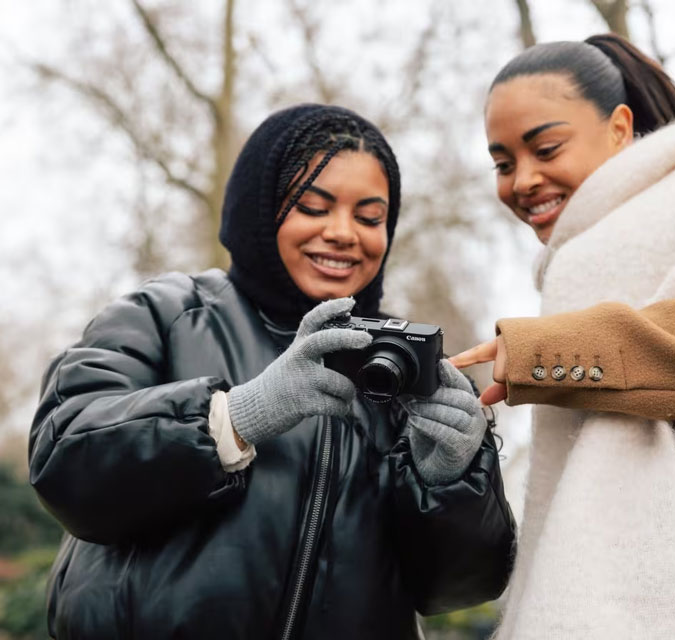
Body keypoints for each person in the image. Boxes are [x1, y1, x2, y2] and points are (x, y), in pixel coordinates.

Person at [29, 104, 515, 640]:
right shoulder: (167, 313)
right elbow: (64, 461)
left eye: (370, 217)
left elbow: (456, 588)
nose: (343, 233)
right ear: (257, 210)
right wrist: (239, 414)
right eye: (313, 206)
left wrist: (449, 478)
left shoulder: (403, 370)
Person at [451, 34, 675, 640]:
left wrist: (552, 353)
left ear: (619, 127)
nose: (523, 180)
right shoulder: (578, 266)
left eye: (546, 147)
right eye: (503, 164)